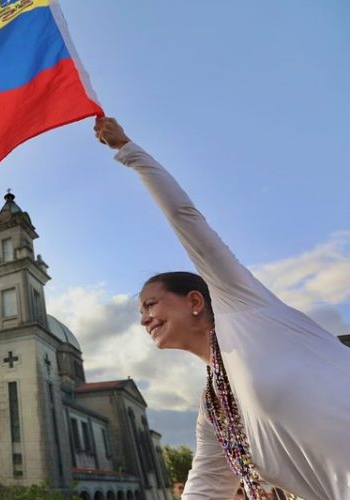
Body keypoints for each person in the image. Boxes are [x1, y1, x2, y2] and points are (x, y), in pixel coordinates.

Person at [93, 117, 350, 499]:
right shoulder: (216, 407)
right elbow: (206, 486)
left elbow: (187, 220)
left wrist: (127, 150)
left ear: (195, 301)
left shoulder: (246, 311)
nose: (144, 318)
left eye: (150, 304)